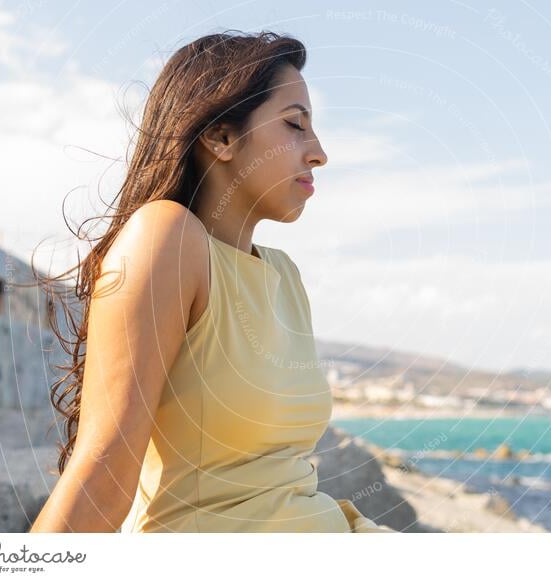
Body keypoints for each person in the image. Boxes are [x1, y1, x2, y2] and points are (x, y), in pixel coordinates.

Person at [29, 30, 395, 533]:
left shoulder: (285, 276)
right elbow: (102, 471)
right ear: (221, 137)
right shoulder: (168, 238)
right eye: (295, 125)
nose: (318, 153)